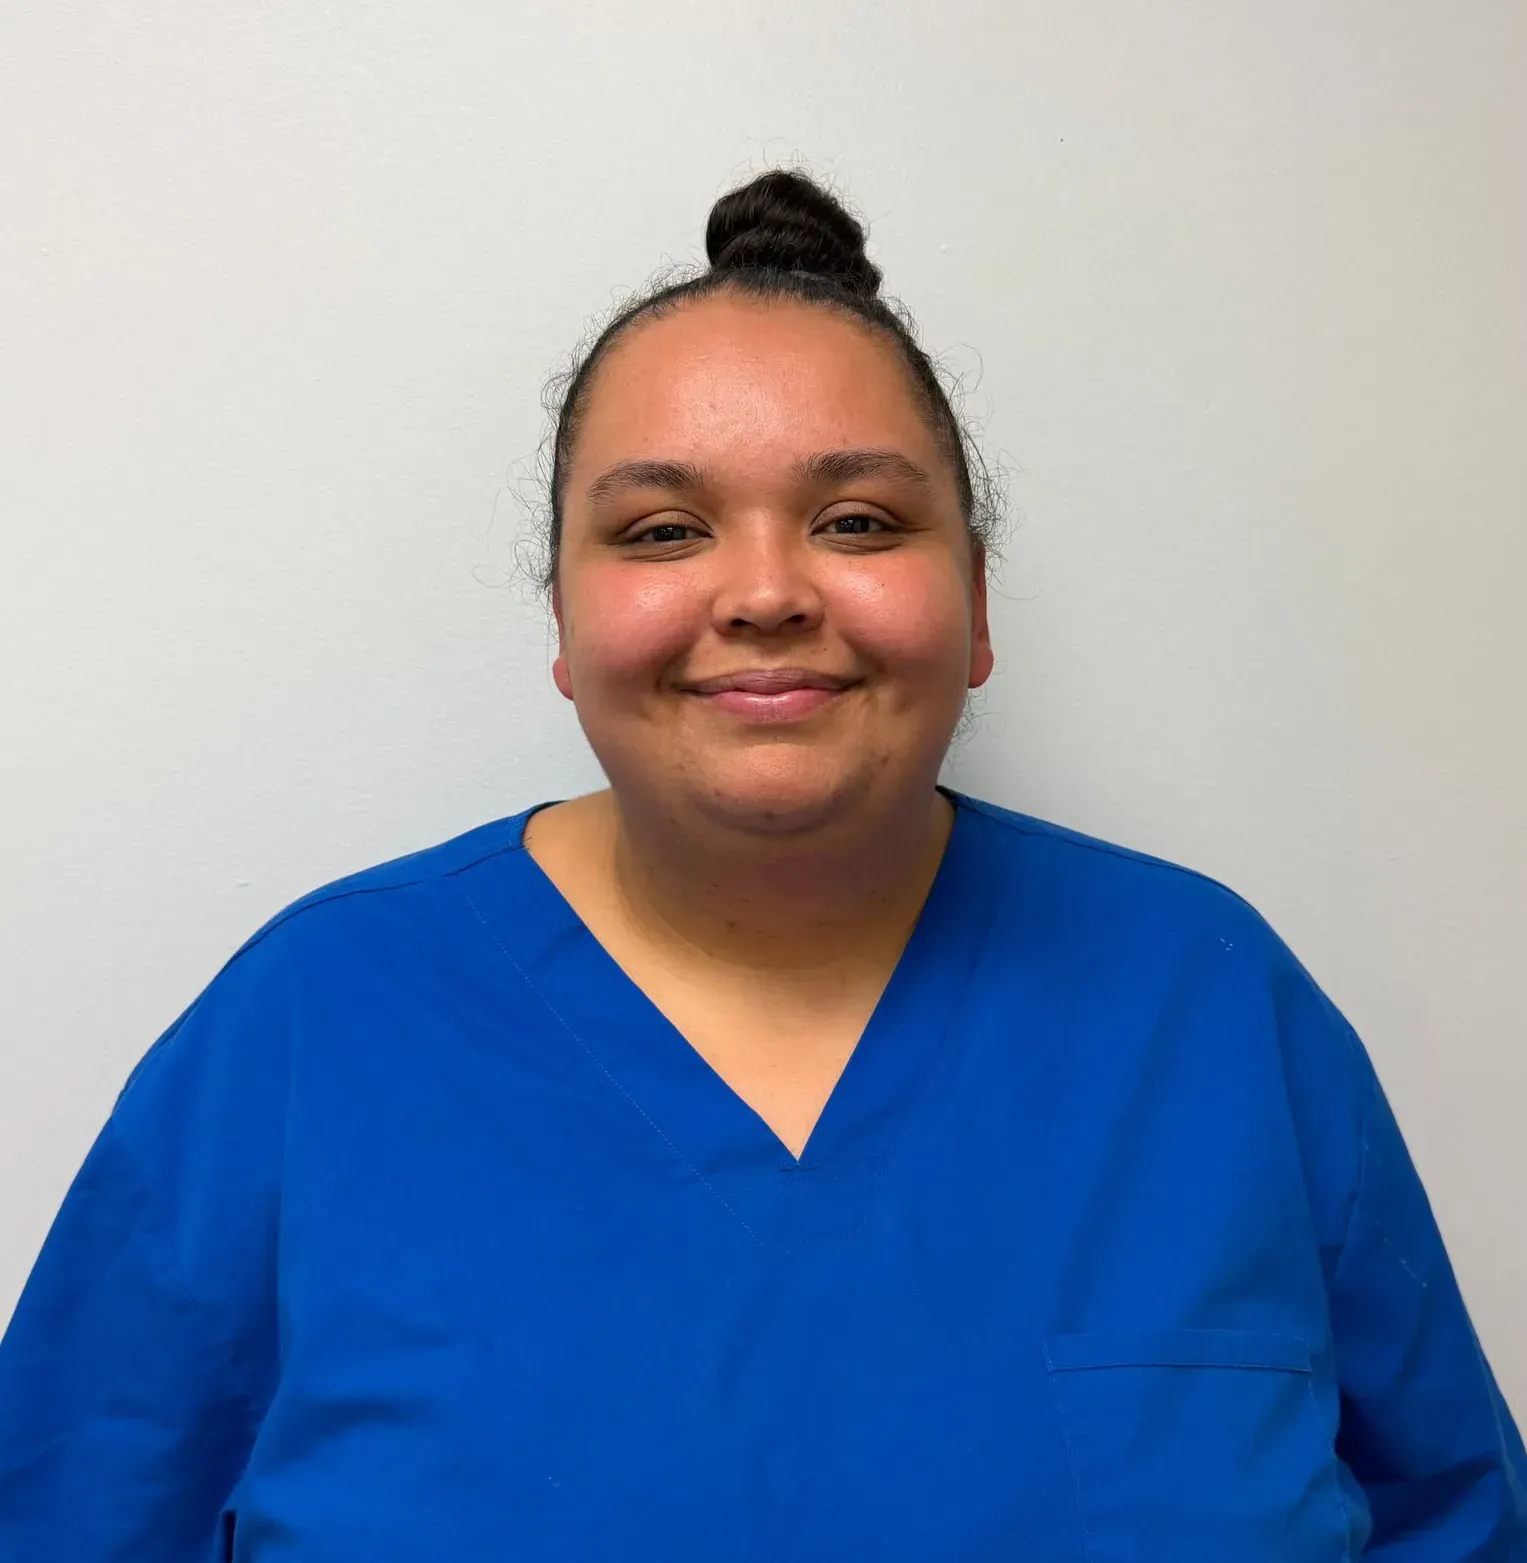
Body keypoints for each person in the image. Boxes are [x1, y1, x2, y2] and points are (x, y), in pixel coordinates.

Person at [0, 168, 1521, 1562]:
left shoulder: (1206, 1004)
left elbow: (1453, 1521)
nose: (767, 591)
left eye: (857, 518)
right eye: (661, 530)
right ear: (565, 627)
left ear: (975, 606)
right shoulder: (311, 1026)